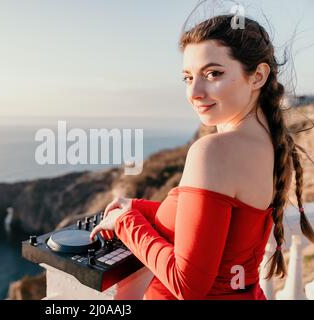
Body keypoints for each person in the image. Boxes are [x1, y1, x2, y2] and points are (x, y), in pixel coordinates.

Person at [90, 14, 314, 300]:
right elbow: (215, 223)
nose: (195, 92)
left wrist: (125, 221)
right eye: (188, 77)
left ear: (258, 76)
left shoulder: (213, 151)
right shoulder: (272, 144)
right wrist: (137, 207)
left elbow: (188, 285)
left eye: (213, 74)